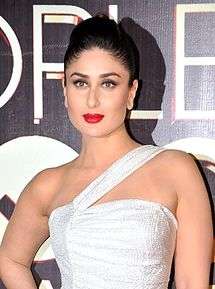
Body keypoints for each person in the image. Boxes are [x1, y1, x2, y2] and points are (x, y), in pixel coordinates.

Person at [0, 13, 213, 289]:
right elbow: (10, 260)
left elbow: (191, 284)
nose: (92, 99)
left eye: (108, 83)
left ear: (130, 92)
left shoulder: (175, 169)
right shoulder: (47, 185)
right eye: (80, 82)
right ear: (65, 89)